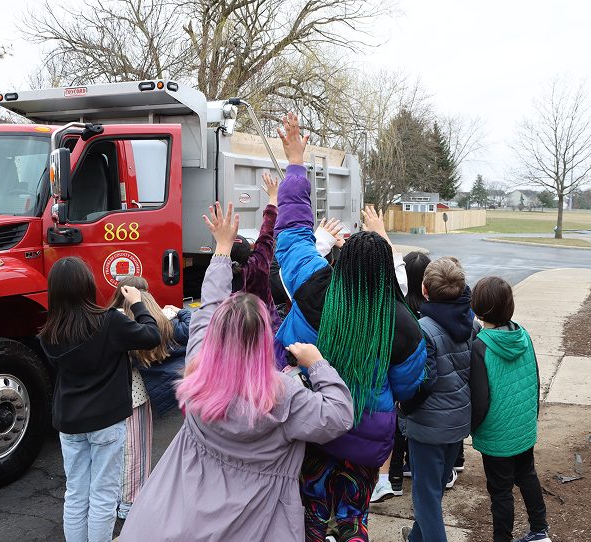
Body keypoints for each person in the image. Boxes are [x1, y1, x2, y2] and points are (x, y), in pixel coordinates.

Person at [117, 201, 354, 542]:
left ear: (215, 334)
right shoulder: (283, 395)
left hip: (180, 515)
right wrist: (317, 364)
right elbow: (339, 415)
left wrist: (222, 249)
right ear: (263, 340)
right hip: (256, 522)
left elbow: (208, 307)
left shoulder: (197, 371)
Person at [272, 112, 426, 542]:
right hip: (366, 435)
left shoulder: (312, 283)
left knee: (307, 516)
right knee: (353, 520)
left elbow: (291, 229)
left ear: (337, 263)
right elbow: (410, 385)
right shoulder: (402, 324)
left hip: (307, 424)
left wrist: (296, 165)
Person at [39, 257, 161, 542]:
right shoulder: (110, 322)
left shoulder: (48, 333)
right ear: (88, 285)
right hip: (107, 420)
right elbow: (152, 335)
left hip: (69, 421)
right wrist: (139, 304)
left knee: (76, 493)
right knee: (104, 496)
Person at [398, 257, 479, 542]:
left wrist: (404, 407)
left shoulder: (424, 329)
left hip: (428, 425)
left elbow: (425, 381)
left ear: (424, 289)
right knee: (434, 490)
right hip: (458, 421)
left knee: (426, 498)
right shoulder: (471, 323)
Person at [469, 276, 551, 542]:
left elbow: (480, 400)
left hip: (496, 434)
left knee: (501, 491)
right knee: (527, 474)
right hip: (523, 425)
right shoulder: (523, 335)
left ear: (478, 307)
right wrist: (532, 415)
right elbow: (535, 378)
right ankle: (540, 530)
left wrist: (471, 427)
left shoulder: (481, 346)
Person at [107, 277, 189, 520]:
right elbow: (195, 326)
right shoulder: (159, 323)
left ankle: (113, 501)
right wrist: (178, 311)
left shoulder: (111, 320)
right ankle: (131, 504)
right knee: (137, 451)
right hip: (138, 397)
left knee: (112, 453)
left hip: (108, 396)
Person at [372, 251, 431, 504]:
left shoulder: (398, 309)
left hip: (390, 387)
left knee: (394, 430)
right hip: (420, 389)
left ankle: (392, 479)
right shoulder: (425, 315)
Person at [231, 171, 282, 331]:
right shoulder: (258, 265)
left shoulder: (218, 278)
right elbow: (267, 232)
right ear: (249, 253)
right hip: (266, 332)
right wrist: (273, 198)